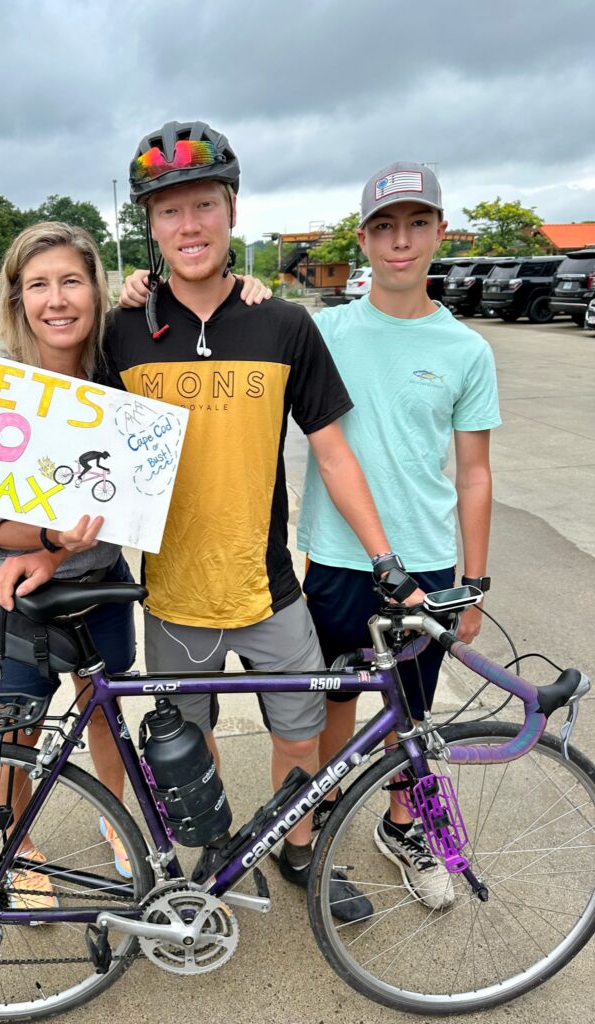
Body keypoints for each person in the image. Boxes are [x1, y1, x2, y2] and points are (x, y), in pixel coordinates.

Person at [0, 121, 418, 922]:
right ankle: (223, 848)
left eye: (204, 206)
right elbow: (77, 464)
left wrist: (386, 557)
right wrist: (41, 552)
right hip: (173, 594)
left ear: (231, 211)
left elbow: (331, 452)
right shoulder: (118, 332)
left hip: (269, 588)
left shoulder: (285, 323)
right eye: (169, 212)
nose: (188, 226)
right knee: (187, 744)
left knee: (297, 736)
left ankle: (296, 849)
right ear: (149, 229)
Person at [298, 161, 501, 909]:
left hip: (428, 561)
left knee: (411, 712)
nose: (401, 241)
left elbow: (474, 474)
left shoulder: (465, 350)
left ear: (440, 233)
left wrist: (473, 582)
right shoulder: (326, 330)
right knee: (338, 697)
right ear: (363, 239)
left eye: (417, 224)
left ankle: (402, 823)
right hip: (338, 556)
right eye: (384, 226)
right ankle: (318, 811)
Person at [0, 221, 137, 896]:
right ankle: (18, 841)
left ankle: (113, 819)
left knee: (104, 711)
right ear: (16, 299)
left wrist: (249, 283)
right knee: (17, 731)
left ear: (97, 291)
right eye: (38, 284)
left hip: (103, 586)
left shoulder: (118, 378)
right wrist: (46, 539)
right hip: (19, 598)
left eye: (71, 280)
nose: (56, 299)